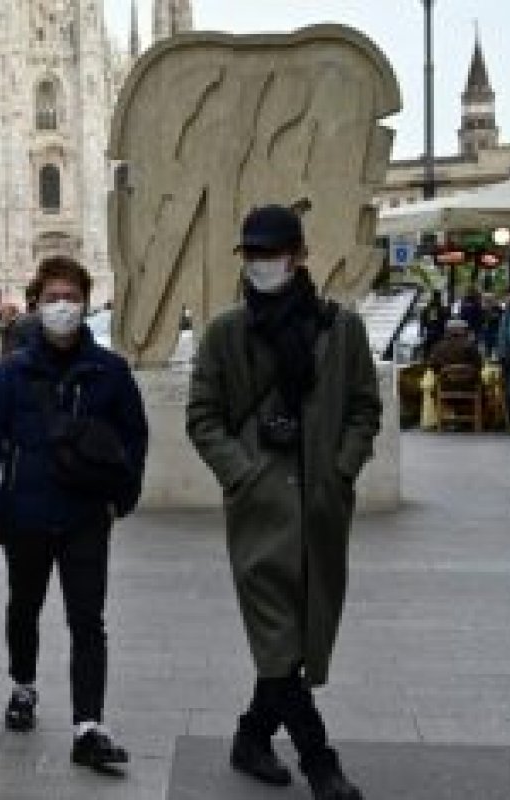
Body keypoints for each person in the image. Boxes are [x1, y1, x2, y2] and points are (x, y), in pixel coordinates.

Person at [186, 204, 381, 800]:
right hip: (259, 511)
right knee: (277, 637)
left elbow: (364, 408)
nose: (262, 266)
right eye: (253, 256)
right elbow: (203, 418)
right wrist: (241, 474)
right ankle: (321, 762)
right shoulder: (225, 333)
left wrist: (342, 470)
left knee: (295, 640)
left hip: (320, 508)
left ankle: (251, 736)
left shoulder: (340, 329)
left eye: (272, 254)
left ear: (298, 257)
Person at [0, 256, 149, 776]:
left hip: (87, 514)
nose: (62, 307)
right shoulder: (11, 374)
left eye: (71, 297)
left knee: (88, 619)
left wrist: (123, 496)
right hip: (26, 511)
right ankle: (22, 684)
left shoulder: (109, 371)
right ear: (36, 303)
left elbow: (135, 436)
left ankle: (88, 724)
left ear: (86, 304)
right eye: (52, 298)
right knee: (24, 608)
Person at [418, 290, 449, 360]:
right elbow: (435, 320)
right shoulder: (436, 308)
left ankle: (427, 360)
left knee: (430, 350)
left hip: (432, 332)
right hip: (436, 332)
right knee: (436, 349)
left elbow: (423, 319)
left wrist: (422, 330)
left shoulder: (430, 307)